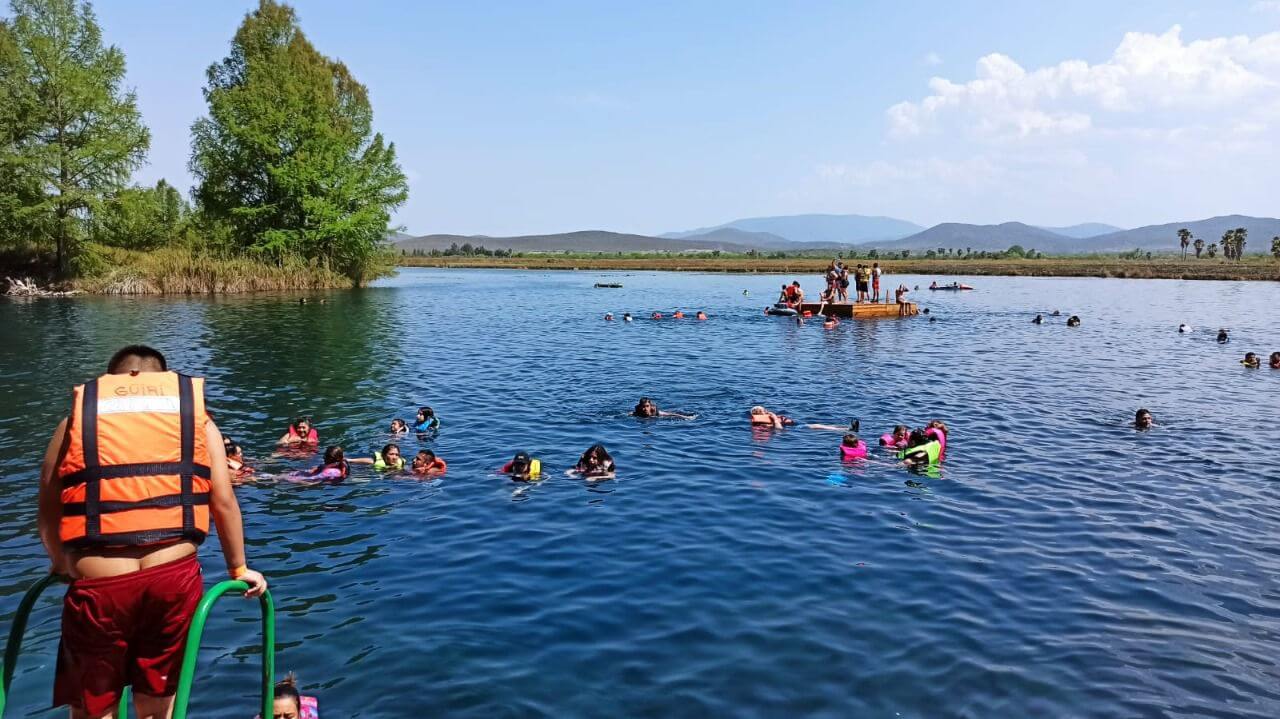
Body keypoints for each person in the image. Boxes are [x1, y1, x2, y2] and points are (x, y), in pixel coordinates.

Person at [37, 345, 267, 718]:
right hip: (172, 581)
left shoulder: (75, 422)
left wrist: (59, 561)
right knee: (157, 705)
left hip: (100, 585)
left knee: (95, 708)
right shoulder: (199, 422)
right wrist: (239, 569)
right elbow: (223, 501)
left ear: (109, 379)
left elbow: (48, 510)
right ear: (163, 378)